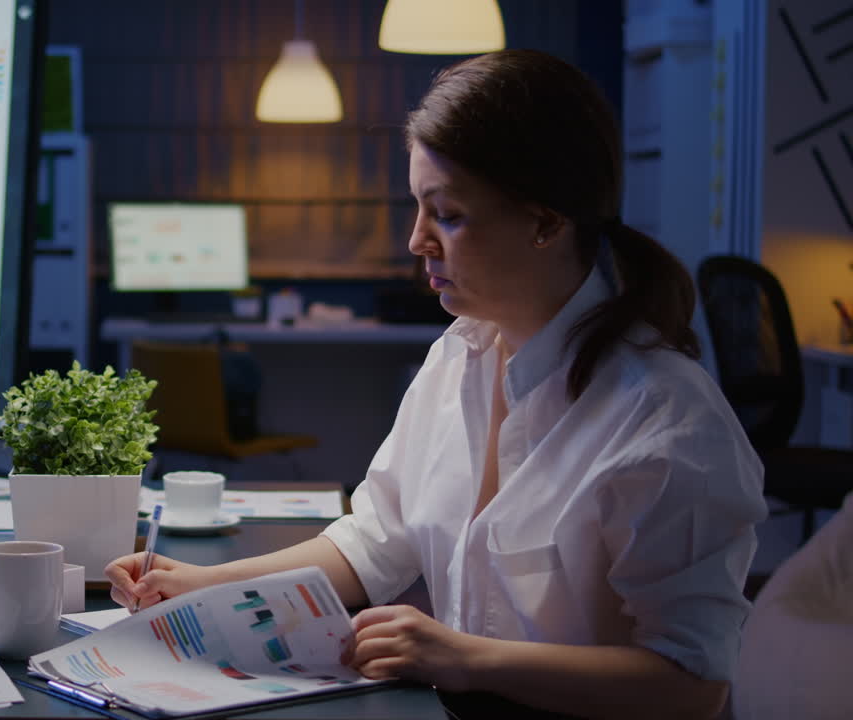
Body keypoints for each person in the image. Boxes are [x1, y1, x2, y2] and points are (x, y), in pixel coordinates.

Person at [106, 49, 767, 720]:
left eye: (447, 214)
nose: (417, 240)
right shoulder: (460, 356)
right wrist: (200, 586)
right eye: (418, 208)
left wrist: (462, 657)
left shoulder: (666, 423)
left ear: (546, 221)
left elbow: (693, 686)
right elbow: (373, 544)